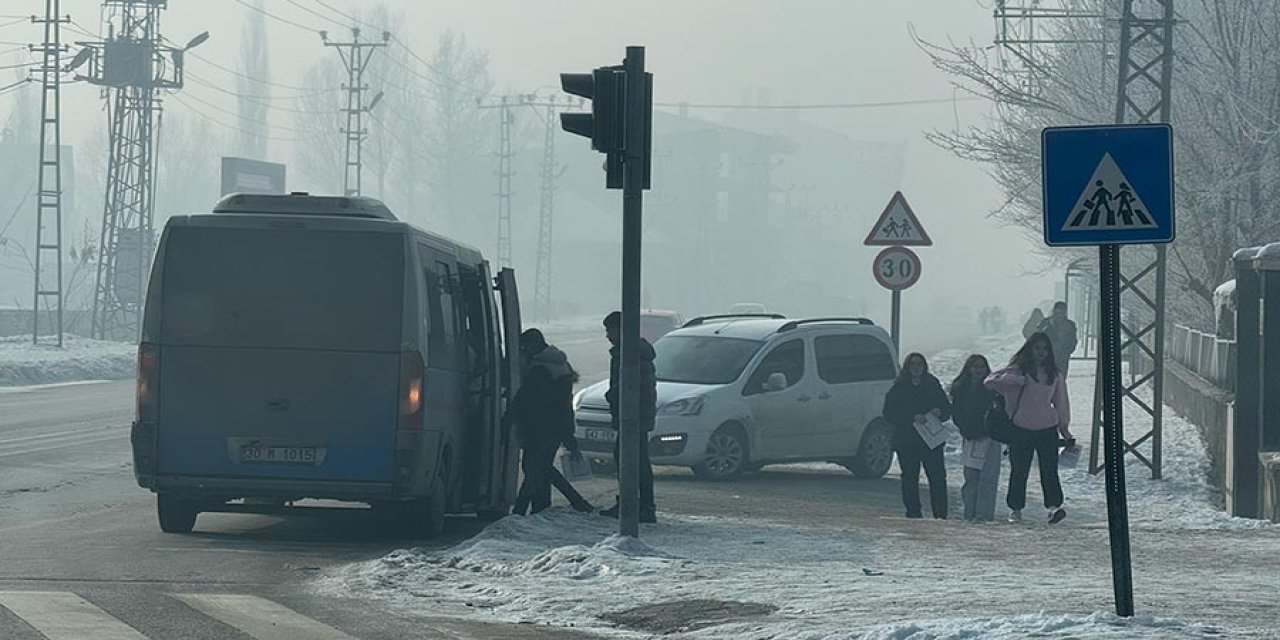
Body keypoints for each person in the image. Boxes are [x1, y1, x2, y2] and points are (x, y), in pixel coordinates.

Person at [985, 332, 1073, 524]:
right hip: (1021, 428)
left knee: (1049, 470)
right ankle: (1015, 509)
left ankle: (1053, 506)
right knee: (1019, 470)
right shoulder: (1018, 371)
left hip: (1047, 428)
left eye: (1044, 349)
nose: (1041, 352)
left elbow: (1061, 403)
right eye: (1037, 348)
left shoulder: (1055, 375)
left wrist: (1064, 429)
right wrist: (1015, 380)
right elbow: (990, 381)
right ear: (1030, 350)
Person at [504, 329, 593, 515]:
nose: (522, 351)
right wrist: (569, 436)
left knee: (535, 469)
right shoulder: (558, 365)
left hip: (540, 428)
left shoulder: (539, 369)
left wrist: (508, 419)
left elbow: (525, 399)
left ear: (533, 346)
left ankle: (521, 511)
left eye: (524, 346)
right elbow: (565, 405)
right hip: (555, 428)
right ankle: (542, 508)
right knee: (541, 469)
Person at [599, 311, 659, 523]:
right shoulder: (633, 352)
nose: (607, 335)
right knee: (634, 461)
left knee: (632, 462)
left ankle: (637, 506)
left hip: (633, 417)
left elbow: (628, 386)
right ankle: (635, 504)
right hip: (636, 416)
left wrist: (612, 395)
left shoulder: (630, 355)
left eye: (610, 330)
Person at [883, 353, 951, 519]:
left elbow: (947, 409)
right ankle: (913, 513)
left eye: (919, 363)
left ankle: (941, 514)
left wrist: (939, 412)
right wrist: (912, 417)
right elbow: (889, 412)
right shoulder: (898, 387)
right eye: (912, 364)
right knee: (910, 478)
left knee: (937, 478)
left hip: (931, 440)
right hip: (908, 440)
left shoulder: (932, 384)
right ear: (907, 367)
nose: (916, 367)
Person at [950, 354, 1001, 522]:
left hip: (991, 437)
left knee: (988, 477)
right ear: (968, 369)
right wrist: (966, 429)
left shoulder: (993, 389)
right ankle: (969, 512)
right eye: (975, 366)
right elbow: (956, 413)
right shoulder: (960, 388)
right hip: (970, 438)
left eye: (982, 367)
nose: (978, 370)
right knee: (971, 477)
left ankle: (984, 514)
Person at [1035, 301, 1079, 374]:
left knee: (1060, 380)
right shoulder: (1045, 323)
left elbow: (1073, 341)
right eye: (1057, 313)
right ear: (1054, 312)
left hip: (1062, 359)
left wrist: (1066, 352)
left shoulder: (1070, 325)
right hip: (1045, 357)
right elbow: (1037, 339)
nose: (1059, 316)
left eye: (1062, 314)